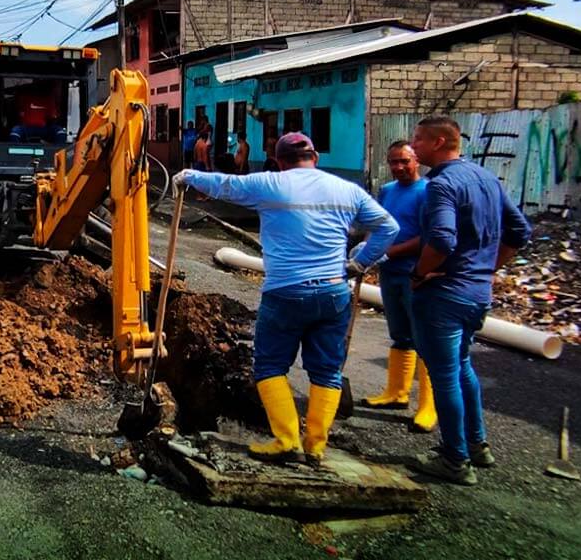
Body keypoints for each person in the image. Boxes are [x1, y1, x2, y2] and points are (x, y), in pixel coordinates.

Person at [176, 133, 399, 464]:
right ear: (316, 158)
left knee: (269, 365)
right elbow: (389, 227)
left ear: (279, 161)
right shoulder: (348, 191)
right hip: (334, 292)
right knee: (326, 371)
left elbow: (225, 185)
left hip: (286, 293)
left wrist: (190, 177)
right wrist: (360, 262)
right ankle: (316, 446)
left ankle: (286, 440)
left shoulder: (271, 185)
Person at [408, 116, 532, 485]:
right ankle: (477, 444)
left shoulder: (442, 185)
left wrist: (419, 274)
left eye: (418, 140)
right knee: (462, 367)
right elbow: (520, 231)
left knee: (444, 375)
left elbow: (443, 240)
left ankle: (454, 459)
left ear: (440, 141)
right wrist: (487, 268)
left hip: (445, 295)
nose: (413, 147)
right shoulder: (486, 178)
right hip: (478, 293)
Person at [355, 140, 438, 432]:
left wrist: (391, 252)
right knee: (399, 334)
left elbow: (428, 236)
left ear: (417, 161)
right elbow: (377, 224)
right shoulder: (388, 191)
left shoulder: (428, 192)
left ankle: (428, 405)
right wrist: (365, 248)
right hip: (389, 273)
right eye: (393, 162)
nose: (399, 167)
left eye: (405, 161)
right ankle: (396, 393)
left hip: (415, 273)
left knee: (423, 338)